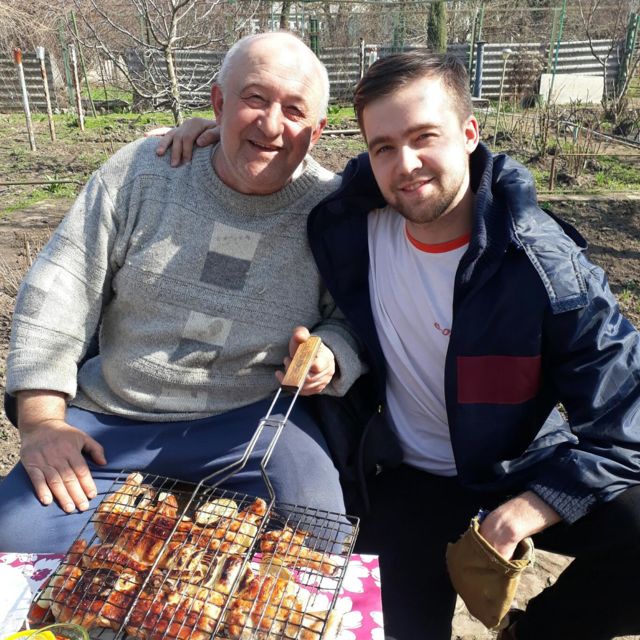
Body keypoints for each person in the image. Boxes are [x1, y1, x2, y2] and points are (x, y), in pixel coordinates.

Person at [163, 52, 640, 640]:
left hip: (515, 468)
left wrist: (531, 507)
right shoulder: (349, 219)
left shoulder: (547, 269)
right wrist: (209, 133)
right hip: (399, 476)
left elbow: (629, 420)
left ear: (469, 133)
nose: (406, 165)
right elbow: (268, 159)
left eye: (424, 137)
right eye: (384, 147)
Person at [0, 31, 366, 554]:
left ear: (317, 131)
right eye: (254, 99)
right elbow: (60, 289)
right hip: (115, 416)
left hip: (254, 422)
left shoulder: (332, 210)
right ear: (218, 103)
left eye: (293, 110)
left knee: (320, 547)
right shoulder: (143, 172)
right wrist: (41, 422)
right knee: (15, 540)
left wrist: (330, 354)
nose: (270, 125)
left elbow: (350, 318)